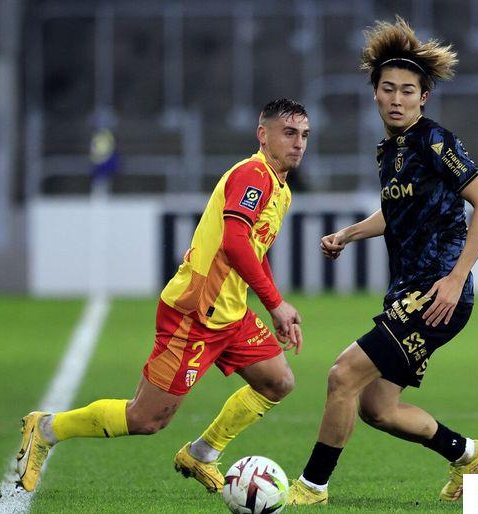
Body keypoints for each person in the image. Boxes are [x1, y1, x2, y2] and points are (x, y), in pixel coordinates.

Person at [16, 99, 310, 493]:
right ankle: (48, 429)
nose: (298, 143)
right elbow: (235, 242)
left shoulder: (281, 188)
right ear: (263, 135)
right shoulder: (252, 175)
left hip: (230, 314)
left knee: (277, 382)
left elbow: (253, 250)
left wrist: (273, 305)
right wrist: (275, 303)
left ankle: (202, 453)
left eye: (304, 135)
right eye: (289, 133)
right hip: (195, 313)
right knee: (146, 419)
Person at [287, 17, 478, 505]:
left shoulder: (434, 141)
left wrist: (456, 278)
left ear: (424, 97)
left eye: (407, 91)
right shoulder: (390, 151)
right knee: (378, 408)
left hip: (435, 292)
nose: (397, 99)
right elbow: (397, 211)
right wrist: (349, 234)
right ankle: (467, 454)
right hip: (408, 290)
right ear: (375, 94)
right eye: (388, 89)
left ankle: (311, 487)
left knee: (342, 375)